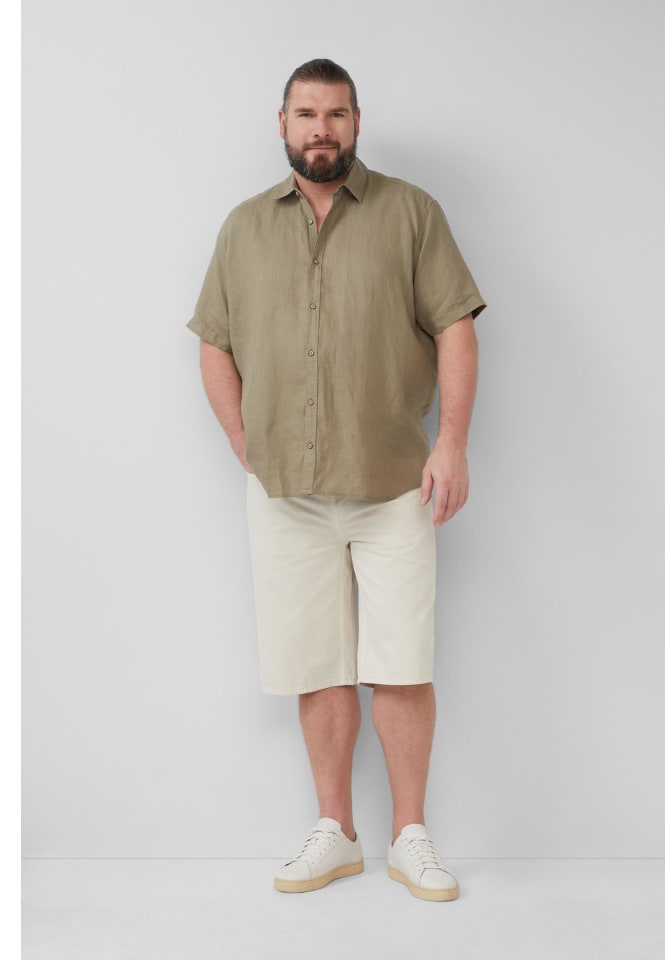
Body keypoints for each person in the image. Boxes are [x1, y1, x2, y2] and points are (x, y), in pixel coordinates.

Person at [187, 58, 486, 902]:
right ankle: (337, 833)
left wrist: (452, 443)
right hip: (285, 491)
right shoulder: (243, 227)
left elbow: (455, 328)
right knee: (315, 664)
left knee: (402, 662)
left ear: (358, 123)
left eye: (337, 114)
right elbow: (214, 340)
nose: (322, 129)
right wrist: (242, 435)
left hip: (394, 483)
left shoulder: (411, 213)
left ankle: (410, 836)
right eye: (307, 113)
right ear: (281, 123)